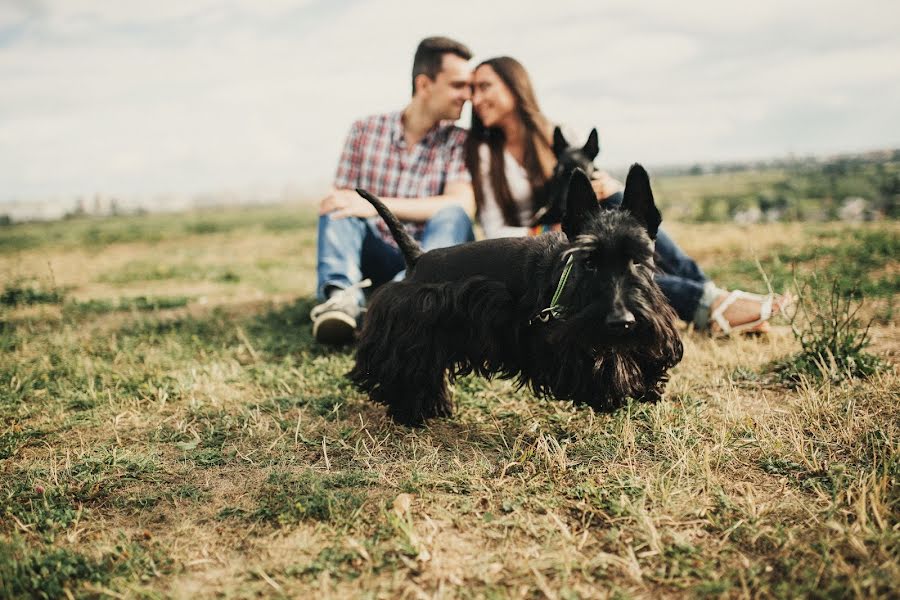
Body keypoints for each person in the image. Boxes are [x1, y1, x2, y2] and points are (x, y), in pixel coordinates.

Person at [464, 56, 788, 335]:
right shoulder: (484, 154)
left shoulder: (562, 134)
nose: (476, 99)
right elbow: (497, 232)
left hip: (589, 231)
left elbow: (600, 188)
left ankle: (711, 296)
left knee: (624, 213)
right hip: (537, 248)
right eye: (472, 90)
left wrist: (607, 186)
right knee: (607, 260)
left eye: (485, 87)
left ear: (515, 85)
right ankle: (714, 304)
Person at [311, 37, 477, 344]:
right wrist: (355, 206)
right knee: (338, 207)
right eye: (458, 85)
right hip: (379, 255)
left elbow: (462, 204)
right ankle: (342, 300)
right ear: (425, 84)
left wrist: (376, 205)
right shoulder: (364, 131)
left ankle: (403, 301)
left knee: (453, 214)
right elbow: (345, 202)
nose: (467, 96)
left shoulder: (460, 141)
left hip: (432, 259)